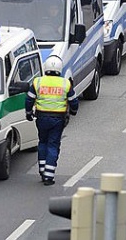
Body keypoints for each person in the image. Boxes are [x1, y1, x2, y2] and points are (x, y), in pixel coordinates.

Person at [25, 55, 79, 186]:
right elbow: (73, 101)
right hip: (57, 119)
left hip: (41, 118)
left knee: (42, 142)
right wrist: (73, 111)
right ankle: (49, 176)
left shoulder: (38, 82)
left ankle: (42, 170)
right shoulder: (65, 83)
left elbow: (29, 99)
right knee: (53, 144)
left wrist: (28, 112)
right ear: (59, 68)